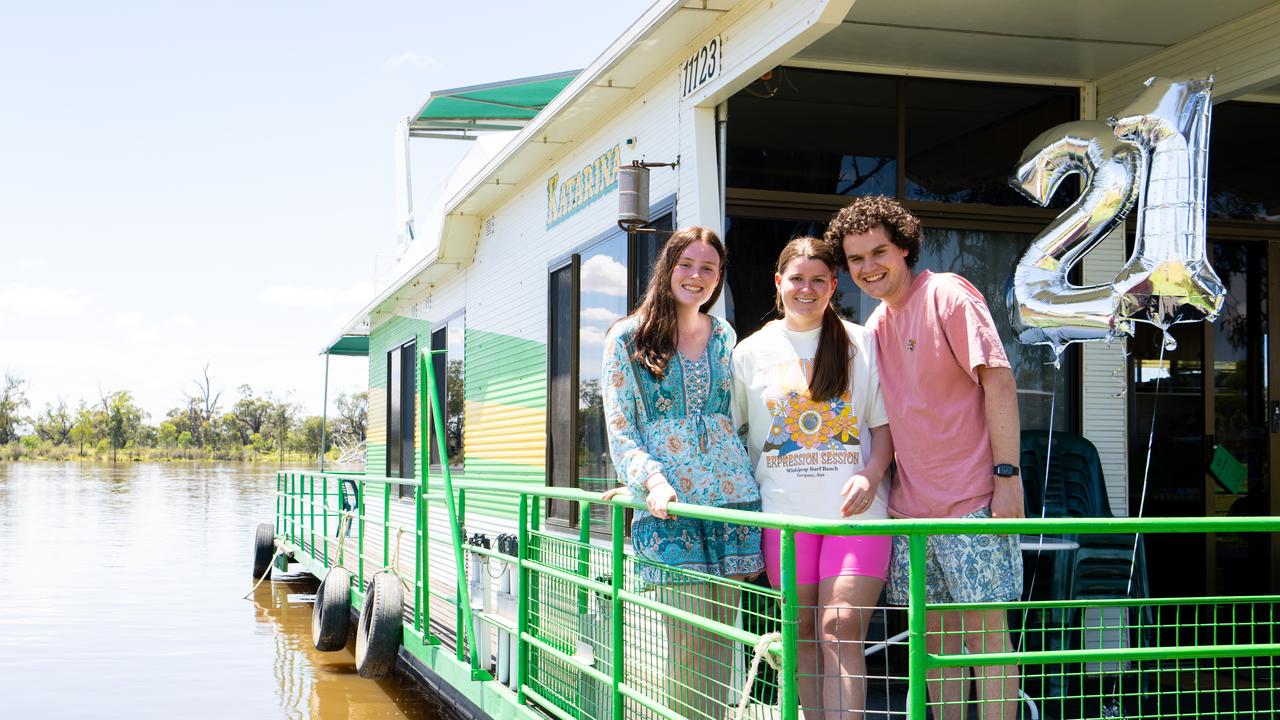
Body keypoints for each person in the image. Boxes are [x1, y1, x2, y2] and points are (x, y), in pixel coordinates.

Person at [827, 196, 1024, 720]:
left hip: (973, 504)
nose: (869, 267)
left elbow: (999, 381)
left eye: (879, 251)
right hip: (911, 513)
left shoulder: (948, 295)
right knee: (934, 648)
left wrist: (1008, 477)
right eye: (855, 259)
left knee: (987, 643)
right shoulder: (875, 328)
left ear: (906, 248)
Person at [600, 226, 763, 720]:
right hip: (671, 508)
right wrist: (648, 479)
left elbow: (733, 420)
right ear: (668, 268)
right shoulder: (627, 337)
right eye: (686, 264)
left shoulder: (725, 336)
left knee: (723, 639)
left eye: (708, 268)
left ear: (719, 277)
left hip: (732, 505)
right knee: (685, 644)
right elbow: (621, 426)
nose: (696, 276)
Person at [732, 236, 894, 720]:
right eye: (797, 279)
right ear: (779, 283)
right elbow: (735, 438)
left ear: (833, 284)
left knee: (840, 629)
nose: (807, 289)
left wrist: (870, 474)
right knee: (801, 632)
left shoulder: (862, 342)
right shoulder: (749, 352)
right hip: (784, 517)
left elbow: (884, 431)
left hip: (858, 518)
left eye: (818, 280)